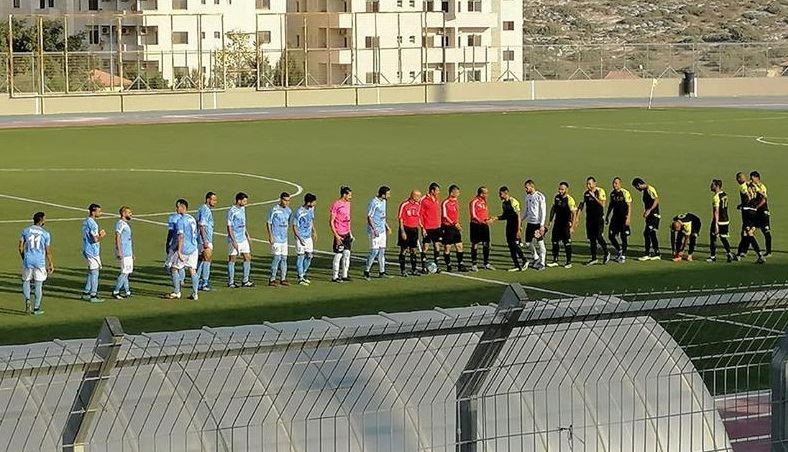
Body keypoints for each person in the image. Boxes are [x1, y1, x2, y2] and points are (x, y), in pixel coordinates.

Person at [19, 212, 53, 315]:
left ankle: (28, 300)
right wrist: (51, 263)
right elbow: (48, 251)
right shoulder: (45, 234)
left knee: (26, 281)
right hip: (39, 262)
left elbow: (20, 247)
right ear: (42, 221)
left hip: (28, 260)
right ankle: (36, 308)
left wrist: (24, 257)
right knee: (38, 285)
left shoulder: (25, 231)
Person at [167, 199, 201, 300]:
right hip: (193, 248)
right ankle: (195, 293)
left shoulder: (181, 221)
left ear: (183, 207)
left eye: (178, 207)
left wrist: (179, 251)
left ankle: (177, 292)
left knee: (174, 268)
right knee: (192, 270)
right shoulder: (192, 219)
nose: (176, 209)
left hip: (184, 249)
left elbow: (181, 236)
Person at [577, 176, 611, 265]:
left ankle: (607, 252)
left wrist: (594, 197)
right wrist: (577, 216)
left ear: (594, 183)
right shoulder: (586, 194)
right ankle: (594, 258)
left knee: (599, 236)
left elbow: (602, 204)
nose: (588, 186)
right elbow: (582, 205)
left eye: (590, 184)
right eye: (587, 184)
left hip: (598, 218)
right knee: (592, 239)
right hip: (589, 219)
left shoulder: (600, 191)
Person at [365, 186, 392, 280]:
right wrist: (374, 229)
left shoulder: (384, 202)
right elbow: (369, 217)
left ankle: (382, 272)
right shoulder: (374, 202)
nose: (389, 195)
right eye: (388, 194)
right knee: (374, 251)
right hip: (374, 231)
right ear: (383, 194)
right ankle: (367, 271)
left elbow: (382, 216)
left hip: (382, 231)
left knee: (382, 251)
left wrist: (387, 227)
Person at [547, 182, 576, 269]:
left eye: (562, 189)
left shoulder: (569, 200)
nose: (560, 191)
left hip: (565, 224)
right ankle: (555, 260)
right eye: (559, 189)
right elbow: (553, 209)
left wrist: (572, 226)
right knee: (554, 242)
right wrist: (550, 220)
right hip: (557, 223)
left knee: (567, 243)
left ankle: (568, 262)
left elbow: (574, 213)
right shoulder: (556, 197)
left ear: (567, 190)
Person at [227, 192, 253, 288]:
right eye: (244, 201)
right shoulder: (232, 211)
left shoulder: (243, 209)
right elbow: (229, 226)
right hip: (235, 239)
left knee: (247, 257)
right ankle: (231, 281)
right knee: (232, 259)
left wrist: (247, 235)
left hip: (243, 238)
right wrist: (233, 240)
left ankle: (245, 280)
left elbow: (243, 223)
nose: (246, 203)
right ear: (239, 200)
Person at [81, 203, 106, 303]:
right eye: (99, 211)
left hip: (87, 248)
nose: (100, 213)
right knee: (95, 273)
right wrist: (102, 235)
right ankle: (93, 295)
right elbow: (95, 239)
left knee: (92, 272)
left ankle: (86, 292)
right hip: (92, 251)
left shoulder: (86, 221)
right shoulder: (93, 224)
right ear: (93, 212)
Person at [497, 186, 526, 271]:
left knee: (513, 244)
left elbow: (518, 216)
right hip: (509, 225)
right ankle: (516, 265)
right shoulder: (504, 203)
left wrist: (518, 229)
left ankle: (524, 260)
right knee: (510, 245)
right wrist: (496, 218)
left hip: (514, 225)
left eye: (501, 194)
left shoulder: (513, 202)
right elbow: (505, 216)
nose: (500, 196)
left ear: (506, 193)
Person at [632, 178, 661, 261]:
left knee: (646, 233)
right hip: (650, 216)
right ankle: (657, 253)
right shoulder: (645, 191)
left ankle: (647, 254)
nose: (637, 189)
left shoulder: (649, 189)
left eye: (636, 188)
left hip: (654, 215)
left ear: (638, 185)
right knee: (652, 234)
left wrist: (649, 210)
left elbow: (656, 200)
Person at [267, 192, 292, 287]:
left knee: (284, 259)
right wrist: (270, 235)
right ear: (280, 199)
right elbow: (269, 222)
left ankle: (283, 278)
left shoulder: (289, 211)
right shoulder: (274, 209)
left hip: (284, 239)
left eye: (288, 200)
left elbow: (288, 223)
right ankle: (272, 279)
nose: (287, 202)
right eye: (285, 200)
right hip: (276, 238)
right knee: (277, 258)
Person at [292, 193, 318, 286]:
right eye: (314, 202)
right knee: (301, 257)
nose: (315, 203)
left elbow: (311, 221)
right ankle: (300, 277)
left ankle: (303, 273)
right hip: (301, 237)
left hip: (308, 237)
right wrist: (298, 237)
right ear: (309, 202)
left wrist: (314, 231)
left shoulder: (311, 209)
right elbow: (294, 225)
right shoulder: (299, 212)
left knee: (309, 256)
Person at [442, 185, 468, 272]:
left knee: (459, 245)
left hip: (455, 226)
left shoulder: (456, 201)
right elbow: (445, 216)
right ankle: (448, 265)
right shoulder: (445, 202)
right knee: (447, 247)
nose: (458, 194)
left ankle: (460, 264)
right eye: (457, 192)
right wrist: (454, 223)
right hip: (448, 227)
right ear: (452, 192)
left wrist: (457, 223)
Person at [330, 186, 354, 283]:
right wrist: (336, 236)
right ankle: (335, 276)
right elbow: (331, 221)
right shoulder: (336, 205)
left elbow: (348, 219)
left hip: (347, 233)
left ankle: (344, 275)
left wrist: (350, 232)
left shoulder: (348, 204)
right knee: (338, 255)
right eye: (349, 195)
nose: (350, 197)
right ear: (344, 194)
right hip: (339, 234)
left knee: (347, 254)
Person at [606, 177, 632, 263]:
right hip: (615, 218)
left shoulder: (625, 193)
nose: (614, 185)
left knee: (623, 236)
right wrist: (607, 216)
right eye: (613, 183)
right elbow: (611, 205)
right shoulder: (612, 194)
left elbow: (629, 205)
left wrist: (628, 217)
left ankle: (623, 255)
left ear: (620, 184)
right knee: (611, 236)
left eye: (616, 183)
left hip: (623, 218)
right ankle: (619, 250)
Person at [739, 183, 766, 264]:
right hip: (752, 213)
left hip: (748, 214)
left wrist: (743, 205)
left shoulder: (749, 196)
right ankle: (739, 254)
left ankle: (760, 255)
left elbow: (747, 202)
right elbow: (764, 198)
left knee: (749, 233)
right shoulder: (755, 197)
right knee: (744, 233)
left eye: (750, 189)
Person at [523, 180, 547, 270]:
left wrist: (542, 225)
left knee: (540, 243)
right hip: (530, 223)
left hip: (537, 224)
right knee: (528, 243)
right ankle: (536, 257)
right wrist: (521, 220)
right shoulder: (527, 197)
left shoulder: (540, 196)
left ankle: (542, 262)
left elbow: (543, 211)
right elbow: (526, 210)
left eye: (526, 187)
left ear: (531, 186)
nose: (525, 189)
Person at [469, 186, 495, 271]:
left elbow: (484, 213)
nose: (487, 195)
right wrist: (483, 221)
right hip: (476, 225)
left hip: (484, 225)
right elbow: (473, 215)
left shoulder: (484, 201)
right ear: (481, 193)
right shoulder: (474, 202)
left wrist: (488, 219)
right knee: (475, 244)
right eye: (485, 193)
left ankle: (486, 263)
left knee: (486, 243)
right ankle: (474, 264)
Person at [397, 190, 422, 277]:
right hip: (406, 229)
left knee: (414, 250)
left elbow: (418, 217)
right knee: (404, 249)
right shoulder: (404, 204)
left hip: (414, 230)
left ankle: (414, 269)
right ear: (413, 196)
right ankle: (403, 270)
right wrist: (402, 231)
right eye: (418, 196)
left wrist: (421, 227)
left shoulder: (418, 205)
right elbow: (400, 218)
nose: (419, 198)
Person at [708, 179, 733, 263]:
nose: (711, 186)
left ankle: (713, 256)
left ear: (717, 186)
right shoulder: (724, 194)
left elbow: (716, 211)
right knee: (723, 238)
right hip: (726, 220)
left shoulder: (716, 197)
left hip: (719, 221)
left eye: (712, 185)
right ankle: (729, 253)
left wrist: (716, 225)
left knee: (713, 238)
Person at [196, 192, 217, 291]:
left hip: (202, 239)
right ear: (208, 199)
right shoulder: (205, 210)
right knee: (207, 260)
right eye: (213, 200)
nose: (215, 202)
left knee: (201, 260)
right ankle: (204, 283)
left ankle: (197, 281)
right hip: (205, 239)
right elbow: (202, 225)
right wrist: (205, 240)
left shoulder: (203, 209)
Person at [420, 182, 442, 273]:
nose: (438, 192)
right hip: (427, 227)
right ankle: (423, 267)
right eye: (437, 190)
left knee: (437, 246)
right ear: (432, 191)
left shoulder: (436, 199)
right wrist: (422, 228)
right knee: (425, 247)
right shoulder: (423, 200)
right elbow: (420, 215)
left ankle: (437, 265)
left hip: (436, 227)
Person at [112, 206, 134, 300]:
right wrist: (119, 251)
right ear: (124, 213)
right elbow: (117, 237)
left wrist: (132, 253)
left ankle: (127, 291)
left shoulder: (125, 224)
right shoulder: (121, 224)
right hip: (124, 252)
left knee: (127, 272)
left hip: (128, 252)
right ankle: (116, 291)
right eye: (129, 212)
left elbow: (128, 239)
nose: (131, 214)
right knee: (124, 272)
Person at [750, 171, 772, 257]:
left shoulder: (762, 187)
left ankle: (769, 251)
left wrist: (756, 207)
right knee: (749, 231)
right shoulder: (752, 186)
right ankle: (743, 251)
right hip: (757, 213)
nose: (751, 180)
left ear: (757, 178)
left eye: (752, 178)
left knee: (766, 232)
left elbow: (763, 200)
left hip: (763, 213)